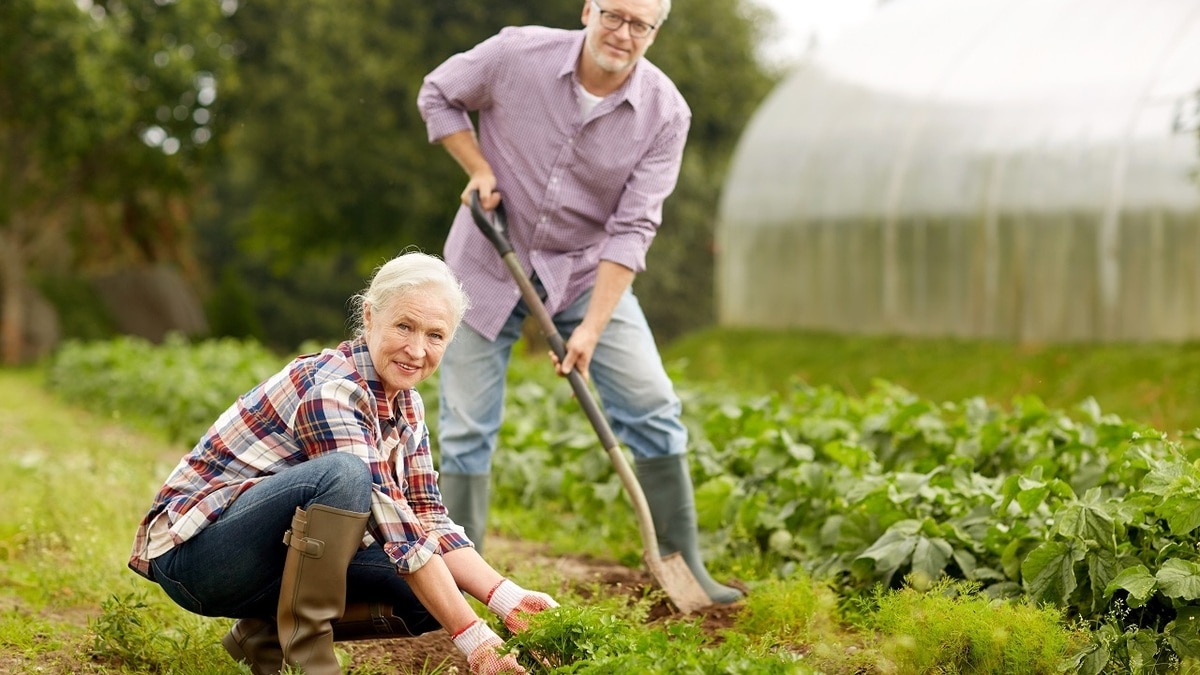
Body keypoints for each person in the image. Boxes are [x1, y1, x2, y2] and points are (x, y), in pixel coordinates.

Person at [417, 0, 742, 605]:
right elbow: (438, 93)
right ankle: (460, 581)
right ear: (589, 8)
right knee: (466, 426)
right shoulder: (518, 54)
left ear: (655, 31)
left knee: (651, 404)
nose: (623, 33)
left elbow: (633, 227)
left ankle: (683, 562)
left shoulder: (665, 112)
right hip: (486, 262)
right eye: (614, 15)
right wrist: (479, 167)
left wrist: (591, 327)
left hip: (584, 274)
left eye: (640, 24)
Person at [128, 252, 557, 675]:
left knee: (431, 596)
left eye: (435, 335)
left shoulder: (407, 405)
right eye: (404, 326)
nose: (416, 349)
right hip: (197, 554)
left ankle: (263, 637)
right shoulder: (333, 389)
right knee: (346, 475)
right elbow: (396, 524)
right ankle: (311, 660)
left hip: (264, 559)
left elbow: (428, 517)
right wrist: (475, 639)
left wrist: (507, 598)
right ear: (369, 317)